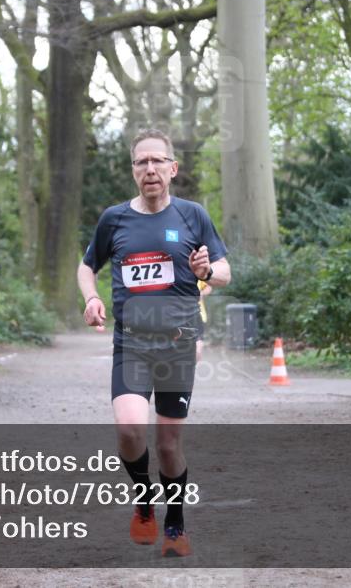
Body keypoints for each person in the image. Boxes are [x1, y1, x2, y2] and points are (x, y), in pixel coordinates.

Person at [77, 129, 231, 558]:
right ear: (133, 170)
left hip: (178, 345)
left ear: (172, 168)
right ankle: (144, 498)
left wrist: (206, 271)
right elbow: (87, 266)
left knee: (167, 445)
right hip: (132, 344)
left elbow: (223, 273)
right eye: (141, 162)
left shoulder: (192, 216)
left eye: (157, 161)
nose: (150, 169)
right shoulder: (115, 219)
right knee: (128, 431)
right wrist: (91, 297)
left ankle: (175, 522)